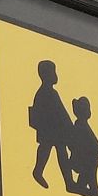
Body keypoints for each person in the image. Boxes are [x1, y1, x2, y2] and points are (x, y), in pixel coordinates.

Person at [27, 59, 71, 189]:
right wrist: (68, 125)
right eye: (53, 72)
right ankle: (39, 171)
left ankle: (68, 181)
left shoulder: (49, 92)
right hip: (50, 129)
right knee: (47, 149)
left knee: (58, 151)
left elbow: (61, 111)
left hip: (55, 129)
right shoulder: (45, 93)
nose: (55, 75)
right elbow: (60, 112)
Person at [66, 95, 98, 196]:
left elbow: (93, 141)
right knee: (90, 169)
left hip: (86, 158)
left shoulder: (83, 126)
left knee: (89, 168)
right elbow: (90, 141)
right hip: (79, 159)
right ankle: (94, 188)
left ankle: (81, 184)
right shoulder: (80, 126)